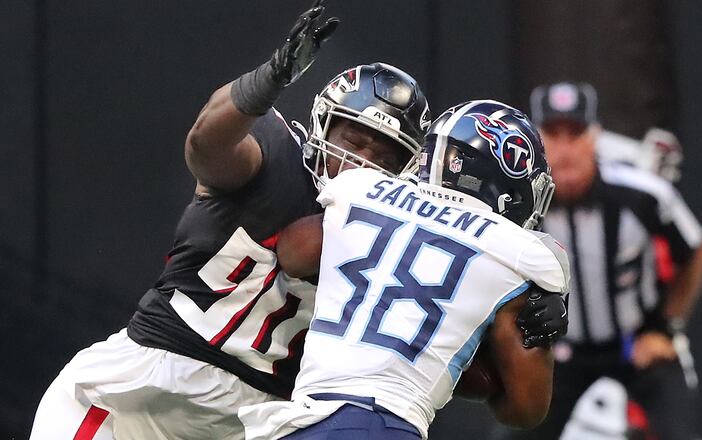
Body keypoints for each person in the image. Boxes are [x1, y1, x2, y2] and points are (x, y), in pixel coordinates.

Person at [29, 2, 431, 439]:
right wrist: (267, 81)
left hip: (254, 420)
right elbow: (205, 146)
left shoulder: (400, 240)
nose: (360, 162)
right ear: (322, 126)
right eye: (352, 140)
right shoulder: (276, 156)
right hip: (146, 386)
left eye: (384, 158)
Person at [237, 100, 572, 440]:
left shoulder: (360, 189)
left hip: (306, 420)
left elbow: (293, 254)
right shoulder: (521, 254)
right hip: (385, 423)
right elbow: (526, 409)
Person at [507, 82, 702, 440]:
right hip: (562, 352)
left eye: (576, 134)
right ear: (536, 141)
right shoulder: (519, 202)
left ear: (595, 137)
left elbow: (696, 247)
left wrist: (665, 327)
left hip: (636, 346)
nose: (565, 149)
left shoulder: (642, 194)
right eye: (553, 135)